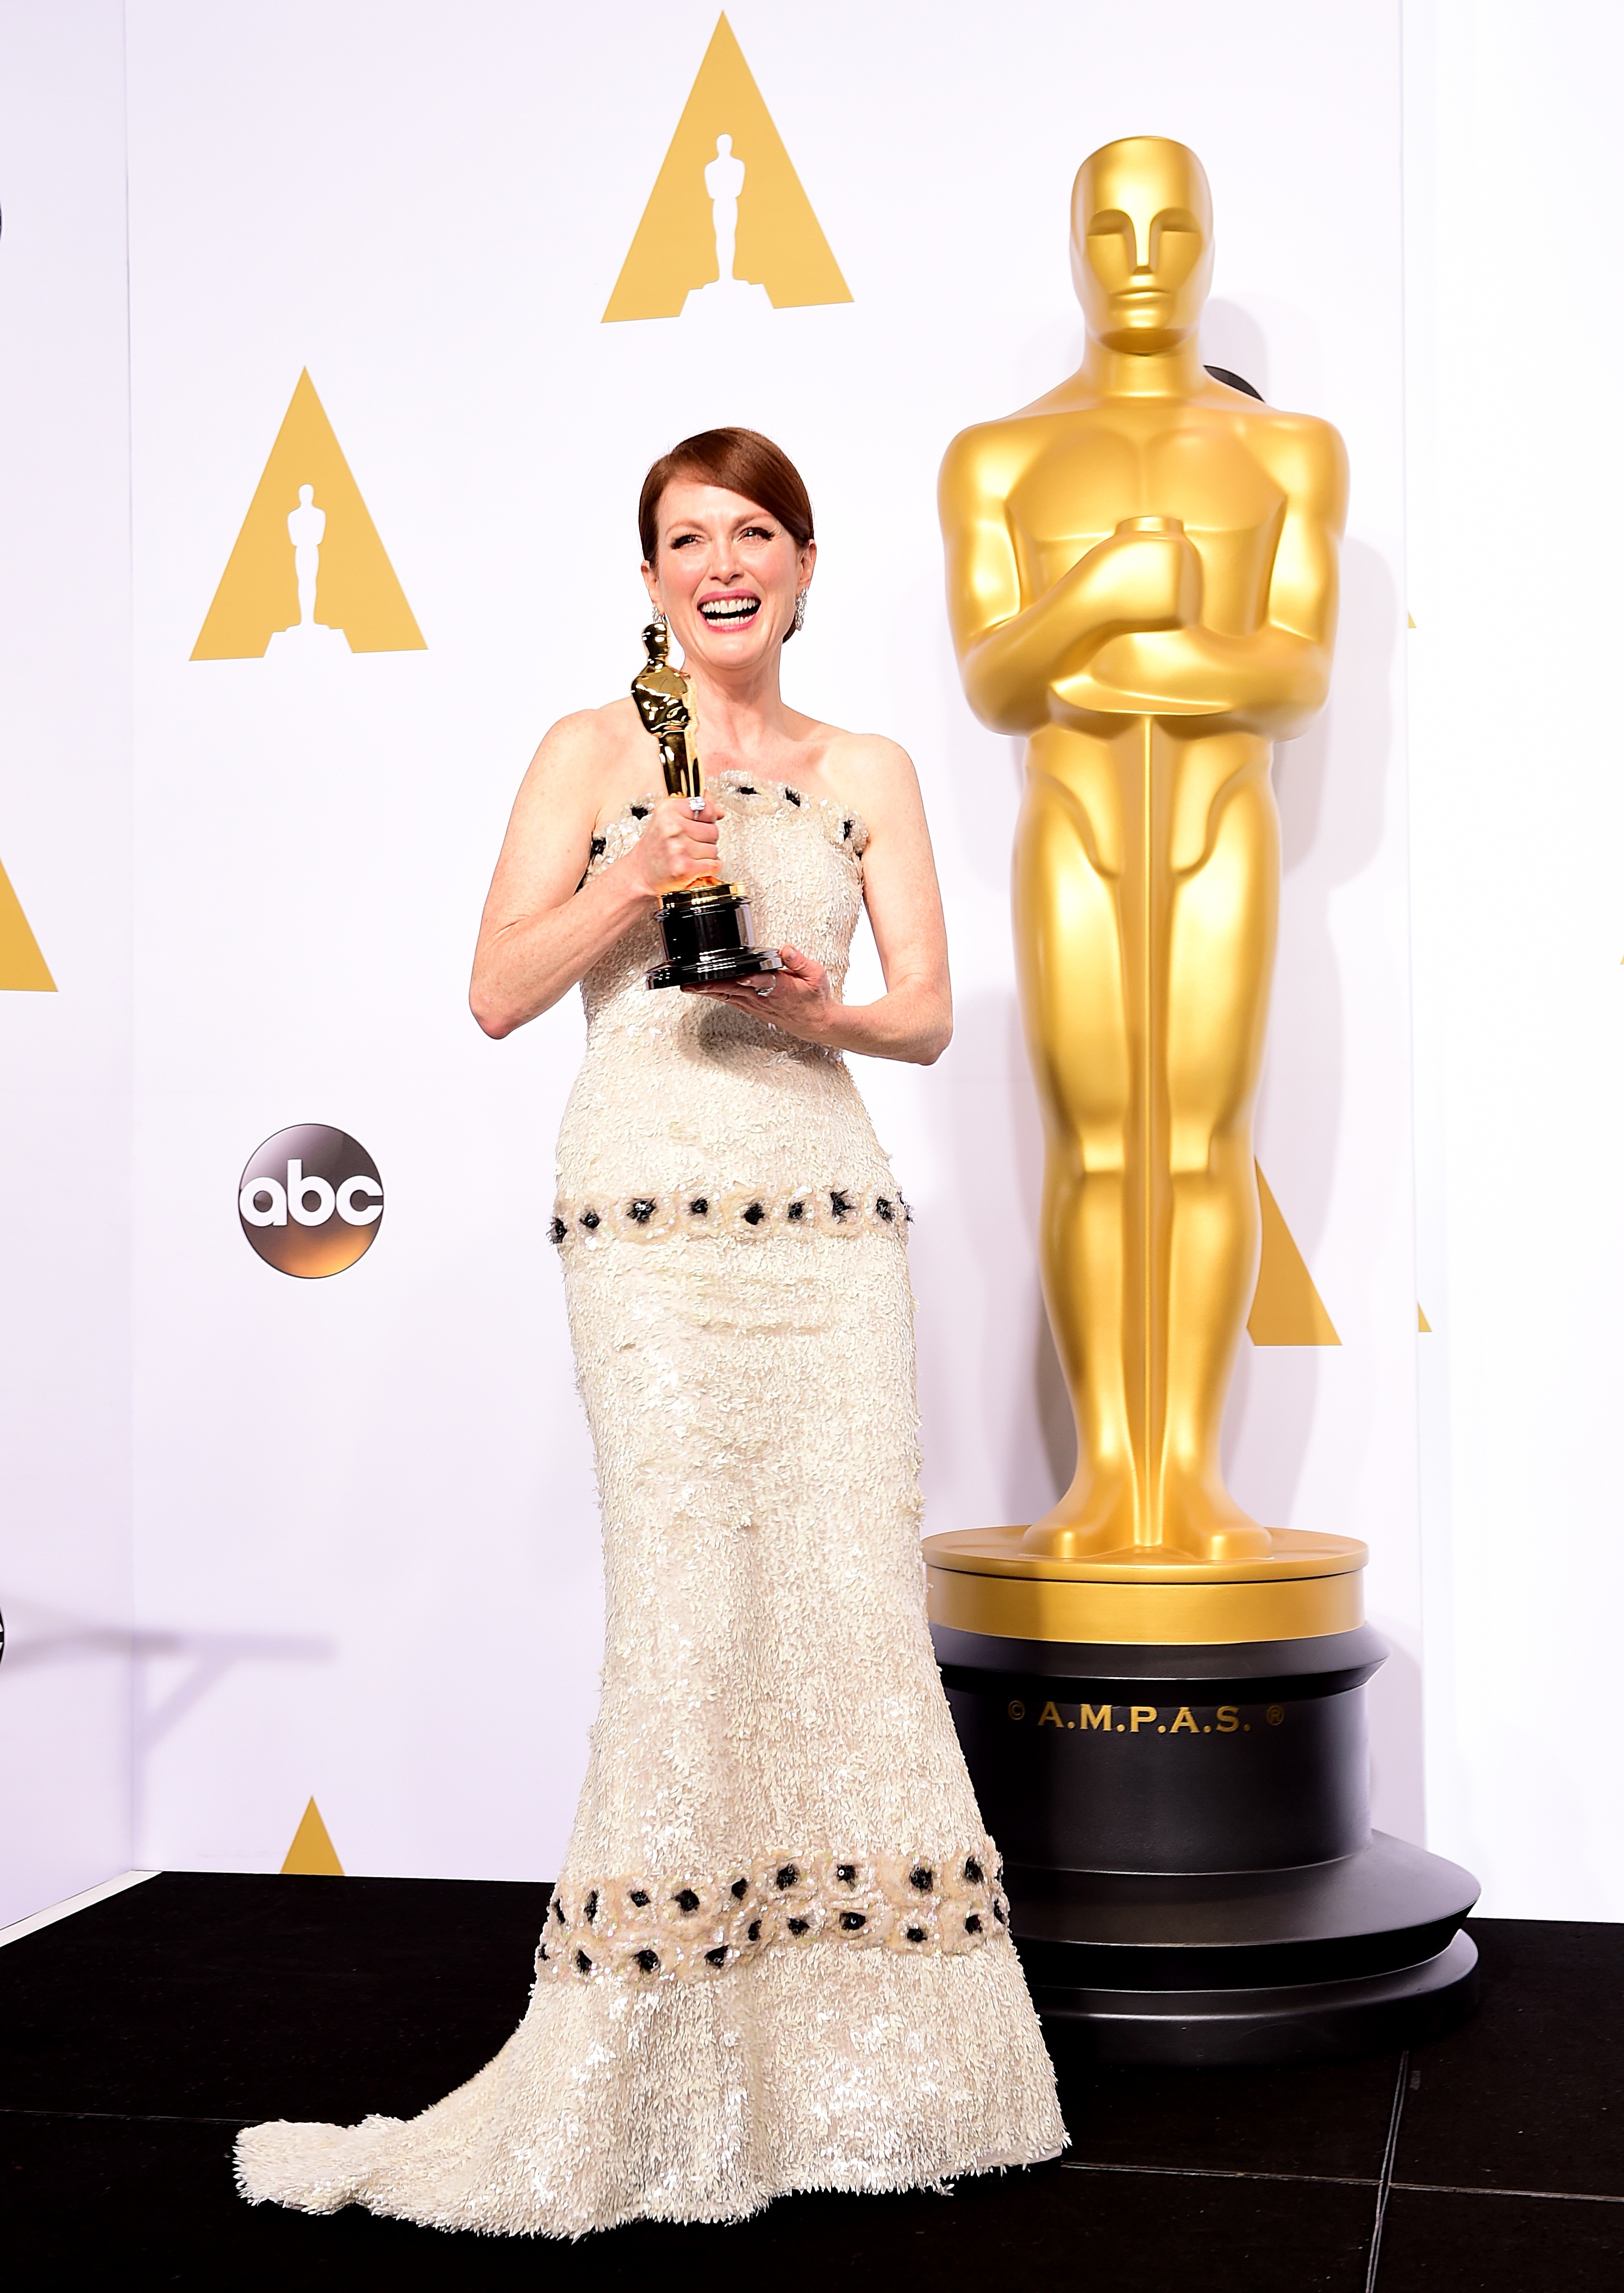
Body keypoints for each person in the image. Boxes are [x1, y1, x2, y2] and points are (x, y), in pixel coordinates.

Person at [236, 427, 1064, 2235]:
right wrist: (631, 878)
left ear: (804, 562)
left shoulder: (869, 766)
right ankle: (650, 2074)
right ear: (647, 578)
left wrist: (811, 1009)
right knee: (690, 1617)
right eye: (687, 536)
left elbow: (922, 1012)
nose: (721, 560)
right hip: (648, 1227)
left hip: (827, 1223)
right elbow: (494, 991)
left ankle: (867, 2082)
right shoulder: (590, 751)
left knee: (843, 1610)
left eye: (753, 528)